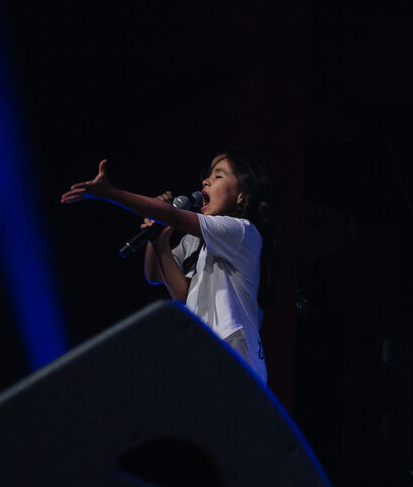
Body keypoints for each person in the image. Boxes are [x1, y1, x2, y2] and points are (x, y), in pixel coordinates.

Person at [61, 151, 273, 381]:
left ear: (241, 195)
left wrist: (111, 193)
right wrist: (158, 241)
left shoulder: (242, 232)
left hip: (232, 350)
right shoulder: (194, 242)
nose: (206, 181)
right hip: (202, 348)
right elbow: (163, 281)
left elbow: (175, 216)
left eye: (218, 176)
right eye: (208, 175)